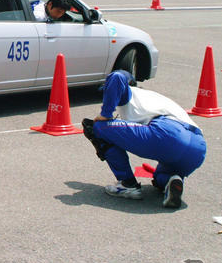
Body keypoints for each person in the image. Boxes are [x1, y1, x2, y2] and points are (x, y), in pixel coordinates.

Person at [81, 70, 206, 208]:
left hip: (169, 133)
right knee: (160, 178)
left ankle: (127, 184)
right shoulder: (152, 98)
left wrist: (105, 114)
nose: (108, 95)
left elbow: (117, 77)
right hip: (197, 148)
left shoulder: (129, 93)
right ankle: (172, 181)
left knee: (98, 127)